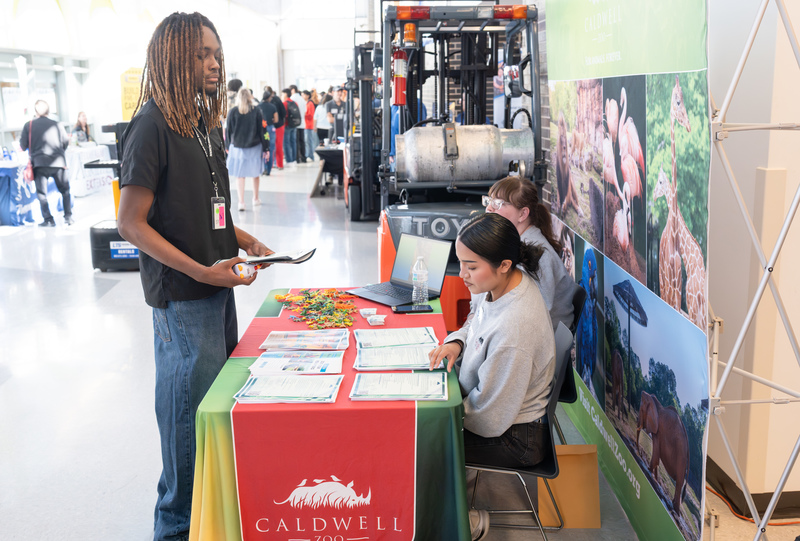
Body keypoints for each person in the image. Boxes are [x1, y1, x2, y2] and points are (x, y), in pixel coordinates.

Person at [116, 13, 273, 541]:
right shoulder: (152, 126)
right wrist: (201, 269)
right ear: (173, 58)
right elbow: (131, 223)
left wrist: (241, 240)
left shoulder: (204, 125)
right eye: (201, 55)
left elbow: (209, 208)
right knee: (187, 438)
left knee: (213, 423)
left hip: (217, 291)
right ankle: (175, 531)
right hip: (183, 301)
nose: (213, 64)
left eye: (216, 55)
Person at [427, 212, 554, 540]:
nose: (462, 274)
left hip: (514, 436)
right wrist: (457, 341)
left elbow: (491, 416)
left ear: (504, 264)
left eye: (471, 266)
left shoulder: (516, 329)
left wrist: (442, 419)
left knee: (425, 444)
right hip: (489, 406)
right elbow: (477, 317)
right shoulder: (497, 285)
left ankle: (464, 524)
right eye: (460, 262)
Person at [484, 176, 578, 331]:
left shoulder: (538, 254)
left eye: (497, 204)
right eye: (488, 201)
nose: (489, 209)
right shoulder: (516, 243)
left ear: (522, 214)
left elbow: (535, 316)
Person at [20, 100, 72, 227]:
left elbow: (23, 145)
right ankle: (68, 217)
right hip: (58, 162)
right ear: (48, 110)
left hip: (39, 163)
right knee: (65, 191)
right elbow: (65, 142)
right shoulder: (57, 124)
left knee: (42, 194)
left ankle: (48, 219)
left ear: (35, 111)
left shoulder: (29, 125)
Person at [226, 88, 266, 211]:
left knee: (240, 175)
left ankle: (241, 202)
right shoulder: (257, 111)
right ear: (250, 97)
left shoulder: (232, 112)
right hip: (254, 146)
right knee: (255, 174)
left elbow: (228, 131)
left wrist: (227, 146)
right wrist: (266, 147)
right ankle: (255, 199)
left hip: (237, 147)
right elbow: (263, 130)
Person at [257, 91, 278, 175]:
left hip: (261, 129)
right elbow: (276, 119)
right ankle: (268, 170)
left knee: (262, 149)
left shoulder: (258, 106)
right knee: (271, 149)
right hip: (270, 128)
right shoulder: (273, 106)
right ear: (269, 98)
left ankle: (262, 169)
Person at [265, 85, 285, 170]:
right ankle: (280, 164)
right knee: (279, 145)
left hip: (268, 126)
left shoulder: (264, 103)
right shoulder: (277, 99)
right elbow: (283, 112)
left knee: (270, 146)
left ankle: (271, 164)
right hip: (279, 125)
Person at [290, 85, 307, 163]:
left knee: (295, 141)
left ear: (293, 90)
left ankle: (297, 158)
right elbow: (305, 111)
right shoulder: (302, 99)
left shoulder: (292, 98)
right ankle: (303, 157)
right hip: (302, 123)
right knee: (302, 141)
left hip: (295, 123)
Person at [281, 88, 297, 165]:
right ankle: (294, 159)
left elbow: (284, 115)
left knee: (286, 143)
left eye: (282, 94)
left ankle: (289, 160)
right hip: (294, 125)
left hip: (287, 125)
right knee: (293, 142)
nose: (281, 95)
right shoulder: (294, 103)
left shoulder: (285, 103)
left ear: (285, 94)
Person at [302, 90, 317, 160]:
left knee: (308, 141)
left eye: (303, 95)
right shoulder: (306, 103)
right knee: (306, 141)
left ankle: (310, 155)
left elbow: (311, 115)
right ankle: (308, 154)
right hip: (306, 125)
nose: (302, 96)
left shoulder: (310, 103)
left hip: (309, 125)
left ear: (308, 96)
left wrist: (303, 114)